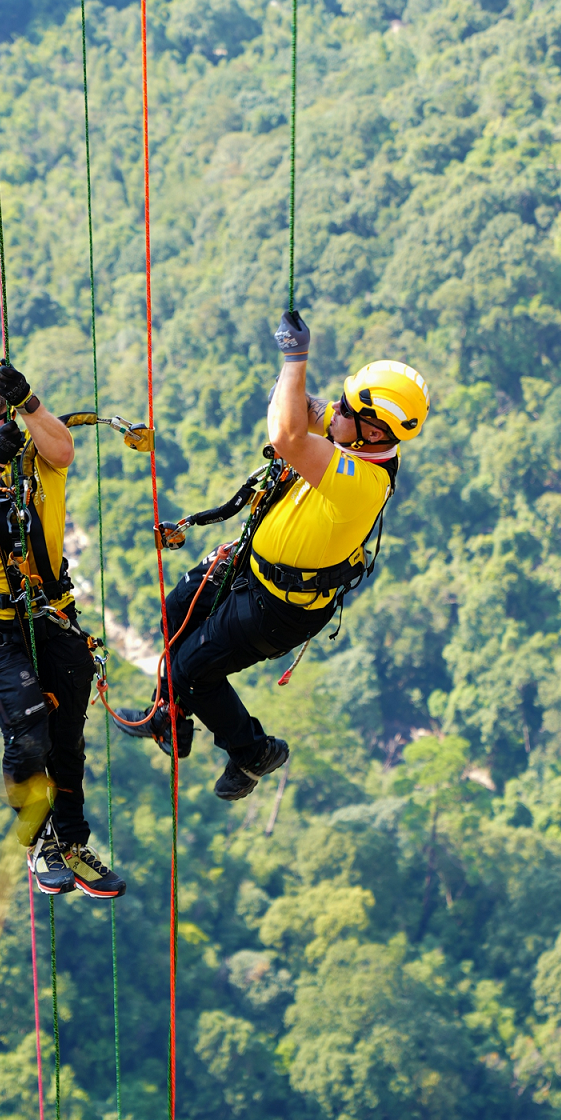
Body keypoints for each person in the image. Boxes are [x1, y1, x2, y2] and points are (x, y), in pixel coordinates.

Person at [114, 309, 430, 800]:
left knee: (192, 671)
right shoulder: (355, 432)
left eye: (347, 411)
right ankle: (168, 717)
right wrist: (291, 389)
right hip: (250, 566)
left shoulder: (365, 482)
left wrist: (295, 357)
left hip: (279, 607)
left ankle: (252, 751)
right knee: (175, 613)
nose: (336, 412)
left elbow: (287, 436)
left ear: (373, 432)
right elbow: (306, 410)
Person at [0, 354, 126, 898]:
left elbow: (63, 449)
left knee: (67, 739)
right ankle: (39, 838)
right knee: (29, 727)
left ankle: (71, 840)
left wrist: (30, 401)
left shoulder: (37, 444)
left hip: (46, 609)